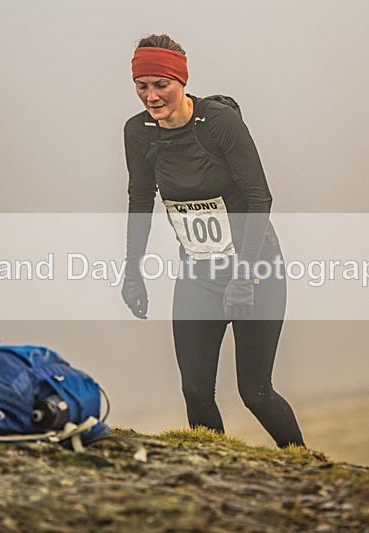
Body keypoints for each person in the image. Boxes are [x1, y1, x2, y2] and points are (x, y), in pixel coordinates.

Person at [121, 34, 304, 448]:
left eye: (160, 84)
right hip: (199, 272)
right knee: (195, 389)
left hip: (256, 268)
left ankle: (307, 465)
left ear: (181, 80)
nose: (151, 96)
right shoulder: (139, 133)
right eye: (141, 85)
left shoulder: (218, 123)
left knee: (255, 391)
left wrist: (245, 274)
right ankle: (217, 469)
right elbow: (140, 197)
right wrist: (132, 271)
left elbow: (260, 198)